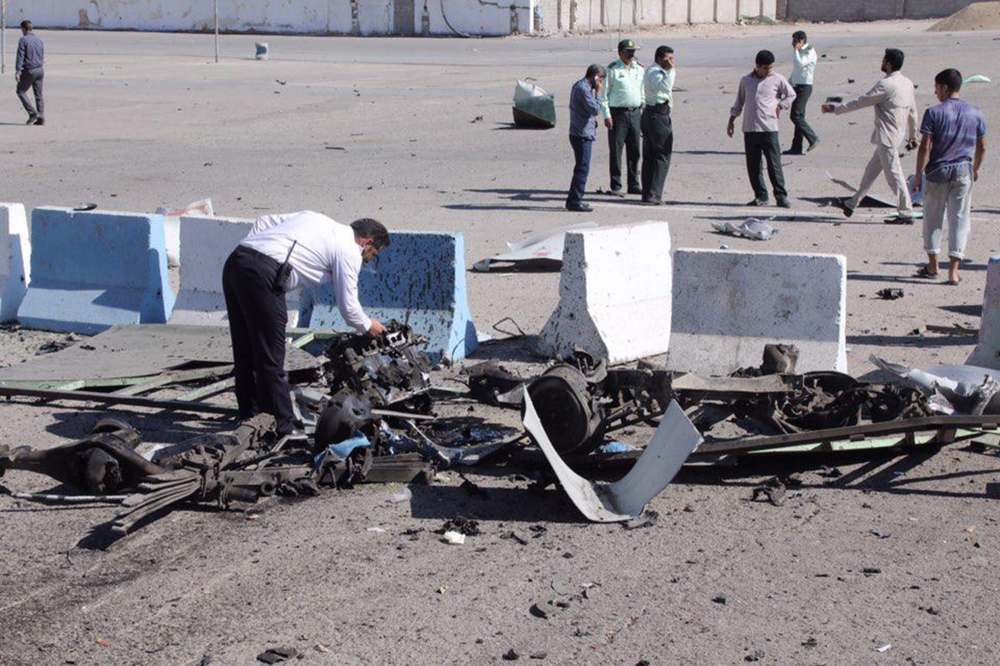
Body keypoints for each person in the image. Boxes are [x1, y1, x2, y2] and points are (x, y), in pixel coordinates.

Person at [222, 212, 389, 436]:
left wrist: (257, 251)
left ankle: (249, 417)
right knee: (271, 359)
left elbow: (263, 221)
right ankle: (284, 427)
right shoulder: (350, 250)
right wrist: (370, 326)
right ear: (367, 241)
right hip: (264, 276)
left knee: (245, 350)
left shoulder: (316, 218)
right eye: (372, 253)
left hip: (237, 261)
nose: (368, 258)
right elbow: (348, 308)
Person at [822, 48, 918, 222]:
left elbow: (862, 101)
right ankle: (852, 204)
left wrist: (836, 109)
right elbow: (913, 111)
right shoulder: (907, 83)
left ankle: (906, 212)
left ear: (888, 64)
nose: (881, 62)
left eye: (883, 60)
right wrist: (913, 135)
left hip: (887, 138)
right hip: (895, 136)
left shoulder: (886, 85)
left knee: (894, 176)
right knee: (871, 172)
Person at [912, 68, 987, 285]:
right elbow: (982, 147)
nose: (935, 92)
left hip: (937, 172)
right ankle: (953, 271)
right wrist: (975, 169)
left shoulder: (934, 112)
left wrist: (918, 176)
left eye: (936, 87)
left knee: (932, 218)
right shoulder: (976, 113)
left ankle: (933, 264)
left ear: (945, 87)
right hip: (964, 171)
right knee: (960, 220)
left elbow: (925, 147)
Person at [728, 50, 796, 208]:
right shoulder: (746, 80)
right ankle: (761, 196)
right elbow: (739, 102)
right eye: (766, 67)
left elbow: (791, 95)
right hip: (750, 129)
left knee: (774, 164)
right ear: (757, 66)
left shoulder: (777, 79)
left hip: (769, 128)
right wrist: (731, 120)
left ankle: (781, 196)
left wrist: (781, 105)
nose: (769, 70)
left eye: (771, 67)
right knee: (753, 165)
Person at [602, 39, 645, 197]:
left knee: (635, 151)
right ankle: (616, 184)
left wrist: (643, 110)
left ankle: (633, 183)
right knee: (616, 151)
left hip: (635, 113)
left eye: (633, 51)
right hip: (617, 114)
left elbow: (642, 92)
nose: (631, 54)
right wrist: (607, 115)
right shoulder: (612, 70)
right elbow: (604, 95)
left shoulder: (639, 69)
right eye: (628, 51)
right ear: (620, 52)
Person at [566, 64, 605, 212]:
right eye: (600, 80)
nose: (601, 84)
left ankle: (575, 198)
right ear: (595, 77)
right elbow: (595, 109)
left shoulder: (583, 86)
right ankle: (575, 200)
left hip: (582, 131)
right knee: (582, 168)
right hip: (581, 134)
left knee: (582, 167)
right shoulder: (583, 88)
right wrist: (599, 93)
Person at [640, 45, 675, 205]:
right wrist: (671, 70)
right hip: (656, 116)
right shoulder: (655, 72)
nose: (671, 62)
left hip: (654, 115)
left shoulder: (657, 71)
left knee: (651, 156)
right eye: (668, 59)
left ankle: (648, 193)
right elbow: (665, 87)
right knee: (661, 156)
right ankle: (653, 194)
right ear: (660, 58)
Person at [785, 30, 819, 155]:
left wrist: (795, 51)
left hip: (805, 88)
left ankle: (813, 138)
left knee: (796, 116)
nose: (793, 44)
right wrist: (788, 83)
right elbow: (797, 71)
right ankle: (796, 147)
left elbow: (799, 64)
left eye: (795, 41)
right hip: (797, 86)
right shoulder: (800, 51)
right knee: (799, 117)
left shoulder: (808, 50)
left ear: (801, 41)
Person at [15, 20, 45, 126]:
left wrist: (18, 71)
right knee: (38, 94)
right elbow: (42, 55)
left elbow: (20, 56)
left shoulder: (23, 40)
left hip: (30, 70)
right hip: (40, 70)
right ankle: (41, 117)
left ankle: (33, 113)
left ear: (23, 29)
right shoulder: (39, 40)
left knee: (20, 91)